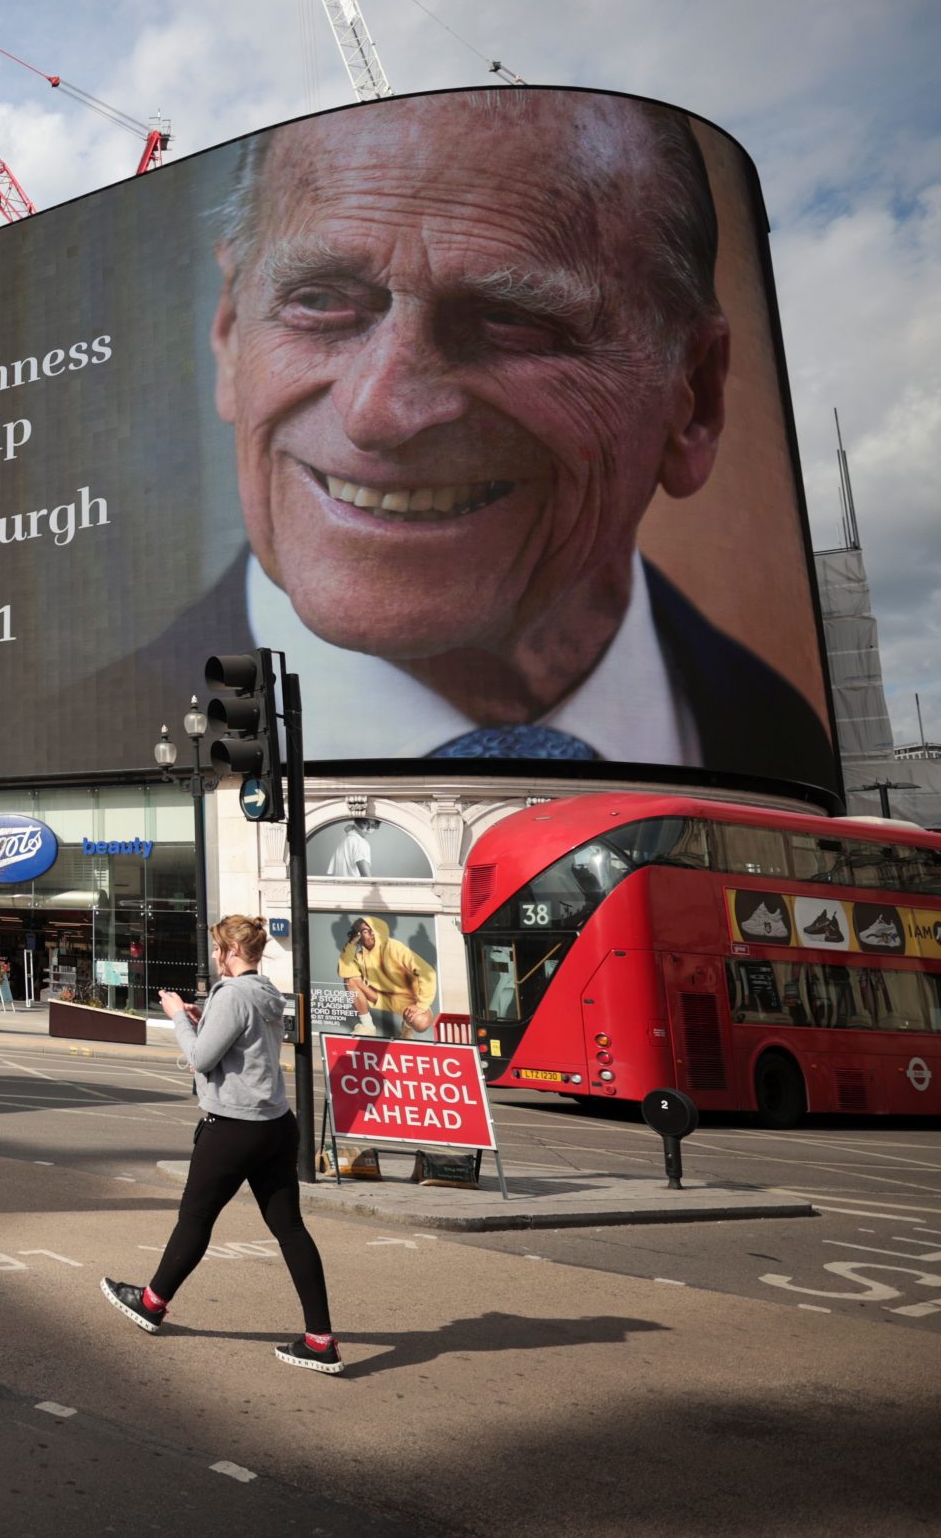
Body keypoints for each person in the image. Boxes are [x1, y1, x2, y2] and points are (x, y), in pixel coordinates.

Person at [97, 90, 834, 785]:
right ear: (229, 332)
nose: (377, 411)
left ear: (694, 397)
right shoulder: (95, 733)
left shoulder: (787, 741)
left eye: (510, 320)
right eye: (319, 301)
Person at [102, 914, 340, 1374]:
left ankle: (151, 1303)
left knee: (194, 1220)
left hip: (233, 1127)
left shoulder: (231, 994)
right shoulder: (266, 992)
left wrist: (177, 1018)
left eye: (217, 949)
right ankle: (320, 1340)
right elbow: (242, 1041)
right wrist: (201, 1017)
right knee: (290, 1229)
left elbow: (199, 1058)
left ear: (230, 951)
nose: (214, 956)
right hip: (276, 1124)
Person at [338, 915, 437, 1038]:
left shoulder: (394, 947)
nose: (370, 934)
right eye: (364, 931)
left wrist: (421, 1005)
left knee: (421, 1023)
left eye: (372, 930)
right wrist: (351, 944)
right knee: (350, 979)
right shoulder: (359, 956)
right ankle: (367, 1026)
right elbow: (345, 970)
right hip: (382, 997)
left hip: (409, 999)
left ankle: (407, 1028)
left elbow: (427, 972)